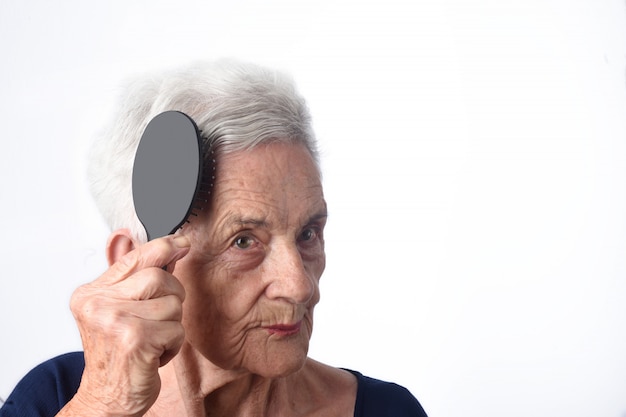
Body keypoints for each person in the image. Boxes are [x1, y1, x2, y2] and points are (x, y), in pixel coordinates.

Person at [0, 59, 428, 417]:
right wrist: (104, 404)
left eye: (308, 233)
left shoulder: (385, 410)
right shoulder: (55, 399)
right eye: (243, 241)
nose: (299, 285)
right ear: (135, 261)